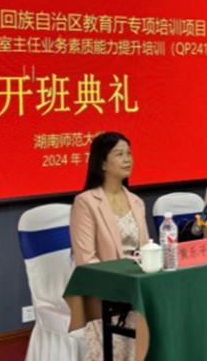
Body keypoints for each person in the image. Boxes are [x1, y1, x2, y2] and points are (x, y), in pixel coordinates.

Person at [69, 132, 149, 361]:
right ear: (102, 163)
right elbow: (87, 261)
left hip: (137, 287)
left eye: (129, 153)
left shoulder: (136, 202)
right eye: (119, 154)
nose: (128, 159)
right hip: (103, 291)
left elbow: (145, 249)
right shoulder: (86, 202)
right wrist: (120, 287)